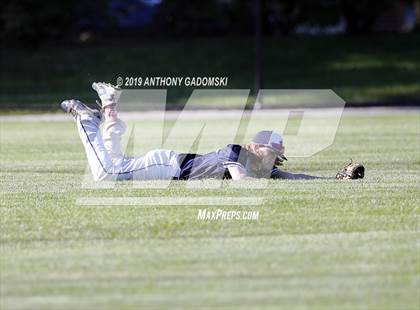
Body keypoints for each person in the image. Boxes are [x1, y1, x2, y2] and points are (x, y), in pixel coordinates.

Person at [60, 82, 322, 181]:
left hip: (171, 163)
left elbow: (293, 175)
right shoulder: (238, 152)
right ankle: (86, 119)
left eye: (277, 156)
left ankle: (109, 105)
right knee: (106, 174)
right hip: (167, 166)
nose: (274, 159)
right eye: (272, 152)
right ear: (254, 146)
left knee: (114, 161)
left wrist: (333, 181)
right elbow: (241, 181)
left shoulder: (263, 167)